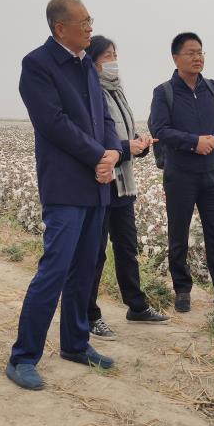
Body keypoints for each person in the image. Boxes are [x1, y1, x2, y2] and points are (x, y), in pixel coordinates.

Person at [6, 0, 122, 391]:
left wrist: (113, 152)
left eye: (91, 20)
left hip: (97, 183)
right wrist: (98, 155)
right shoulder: (37, 65)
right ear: (60, 28)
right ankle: (23, 357)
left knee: (85, 269)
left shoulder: (86, 63)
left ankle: (75, 343)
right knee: (54, 269)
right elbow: (52, 123)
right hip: (66, 186)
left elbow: (104, 117)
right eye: (84, 21)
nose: (91, 28)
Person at [85, 35, 170, 341]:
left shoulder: (117, 91)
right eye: (108, 55)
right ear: (93, 61)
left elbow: (123, 133)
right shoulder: (90, 92)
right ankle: (89, 313)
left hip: (124, 184)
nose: (114, 61)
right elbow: (94, 139)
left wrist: (139, 144)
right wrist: (126, 147)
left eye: (115, 54)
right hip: (102, 182)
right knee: (95, 252)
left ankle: (136, 305)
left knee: (127, 247)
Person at [148, 32, 214, 313]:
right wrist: (194, 142)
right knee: (178, 234)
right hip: (180, 175)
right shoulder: (164, 93)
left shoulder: (213, 88)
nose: (198, 57)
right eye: (191, 53)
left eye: (200, 52)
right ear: (176, 58)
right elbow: (160, 130)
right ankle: (182, 290)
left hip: (211, 174)